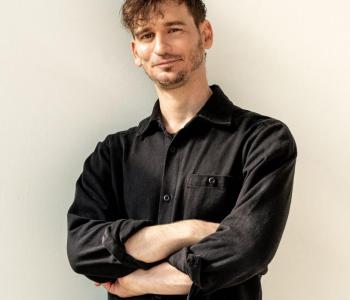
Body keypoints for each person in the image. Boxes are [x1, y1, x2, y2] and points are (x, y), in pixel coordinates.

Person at [66, 1, 298, 299]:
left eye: (173, 29)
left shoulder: (263, 141)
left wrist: (138, 282)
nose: (161, 47)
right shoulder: (112, 154)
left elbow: (246, 249)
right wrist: (189, 230)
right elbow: (82, 250)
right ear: (135, 52)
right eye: (147, 35)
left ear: (206, 34)